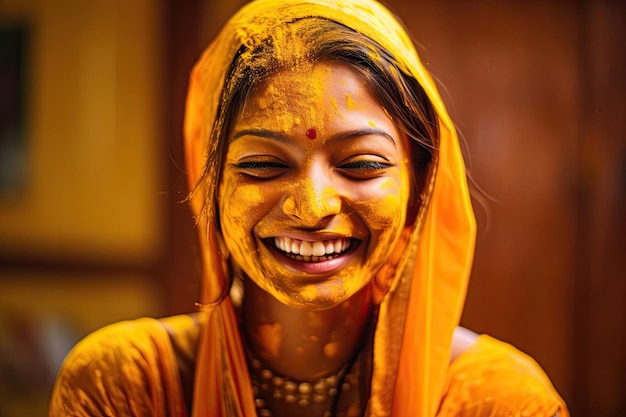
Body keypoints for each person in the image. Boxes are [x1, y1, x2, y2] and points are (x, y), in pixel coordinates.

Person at [49, 0, 569, 416]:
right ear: (210, 184)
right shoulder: (123, 387)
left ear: (421, 185)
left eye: (362, 165)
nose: (311, 207)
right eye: (263, 166)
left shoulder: (499, 402)